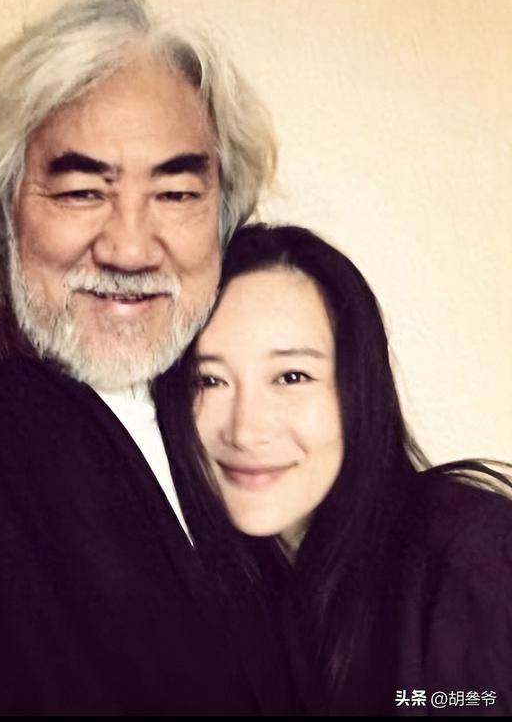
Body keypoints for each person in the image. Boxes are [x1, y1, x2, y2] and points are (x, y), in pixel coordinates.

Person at [0, 0, 292, 713]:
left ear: (223, 220)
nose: (129, 248)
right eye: (80, 193)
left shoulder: (249, 421)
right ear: (2, 212)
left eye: (176, 195)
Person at [157, 223, 512, 716]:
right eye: (209, 380)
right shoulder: (220, 589)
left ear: (356, 391)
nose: (245, 430)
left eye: (291, 376)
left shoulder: (468, 557)